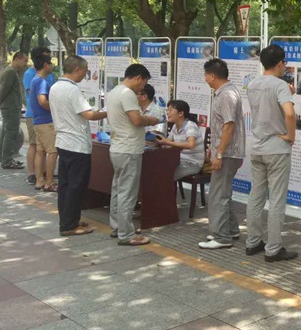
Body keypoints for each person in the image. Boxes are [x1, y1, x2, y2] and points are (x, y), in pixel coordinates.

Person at [245, 44, 298, 261]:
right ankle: (273, 248)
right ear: (279, 63)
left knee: (256, 196)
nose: (285, 66)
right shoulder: (280, 85)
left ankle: (252, 242)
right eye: (284, 62)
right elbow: (289, 113)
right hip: (276, 149)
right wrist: (291, 136)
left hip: (257, 146)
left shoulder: (252, 84)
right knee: (276, 199)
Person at [49, 55, 107, 236]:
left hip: (63, 142)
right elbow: (89, 115)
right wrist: (107, 111)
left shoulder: (55, 87)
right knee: (76, 186)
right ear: (77, 70)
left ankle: (68, 219)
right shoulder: (73, 90)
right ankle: (69, 226)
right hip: (77, 145)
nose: (85, 74)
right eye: (85, 71)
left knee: (65, 185)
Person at [106, 64, 160, 246]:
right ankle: (126, 234)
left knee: (118, 190)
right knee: (127, 193)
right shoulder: (127, 93)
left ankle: (118, 226)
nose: (142, 88)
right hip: (129, 149)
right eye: (143, 83)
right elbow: (136, 120)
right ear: (138, 78)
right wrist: (150, 119)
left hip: (117, 148)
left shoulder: (114, 91)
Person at [199, 58, 246, 249]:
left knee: (218, 195)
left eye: (205, 75)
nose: (204, 78)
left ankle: (221, 237)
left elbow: (229, 126)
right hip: (227, 152)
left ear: (212, 76)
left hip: (227, 154)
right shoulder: (227, 92)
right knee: (222, 192)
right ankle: (230, 230)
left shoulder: (226, 95)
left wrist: (219, 153)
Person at [23, 47, 55, 184]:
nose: (50, 62)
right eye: (47, 58)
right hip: (36, 115)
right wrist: (53, 107)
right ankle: (33, 174)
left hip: (46, 116)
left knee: (42, 149)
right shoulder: (31, 75)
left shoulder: (48, 75)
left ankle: (42, 175)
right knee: (35, 145)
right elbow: (39, 99)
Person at [155, 100, 204, 180]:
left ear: (181, 113)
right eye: (167, 110)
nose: (167, 113)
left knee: (164, 174)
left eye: (170, 110)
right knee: (155, 167)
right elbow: (167, 145)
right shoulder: (175, 126)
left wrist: (167, 142)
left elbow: (191, 145)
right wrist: (156, 140)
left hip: (192, 163)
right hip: (179, 160)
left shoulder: (190, 125)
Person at [30, 54, 58, 192]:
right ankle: (49, 182)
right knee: (53, 152)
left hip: (37, 121)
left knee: (40, 151)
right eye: (50, 63)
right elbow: (42, 101)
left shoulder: (35, 80)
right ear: (46, 65)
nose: (52, 66)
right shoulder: (41, 81)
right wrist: (55, 109)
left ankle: (39, 180)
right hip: (46, 122)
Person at [0, 51, 29, 169]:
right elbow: (4, 90)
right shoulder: (10, 72)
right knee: (11, 134)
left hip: (10, 107)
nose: (26, 64)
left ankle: (5, 158)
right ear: (17, 59)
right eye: (24, 61)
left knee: (7, 133)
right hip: (10, 107)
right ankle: (7, 160)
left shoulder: (11, 71)